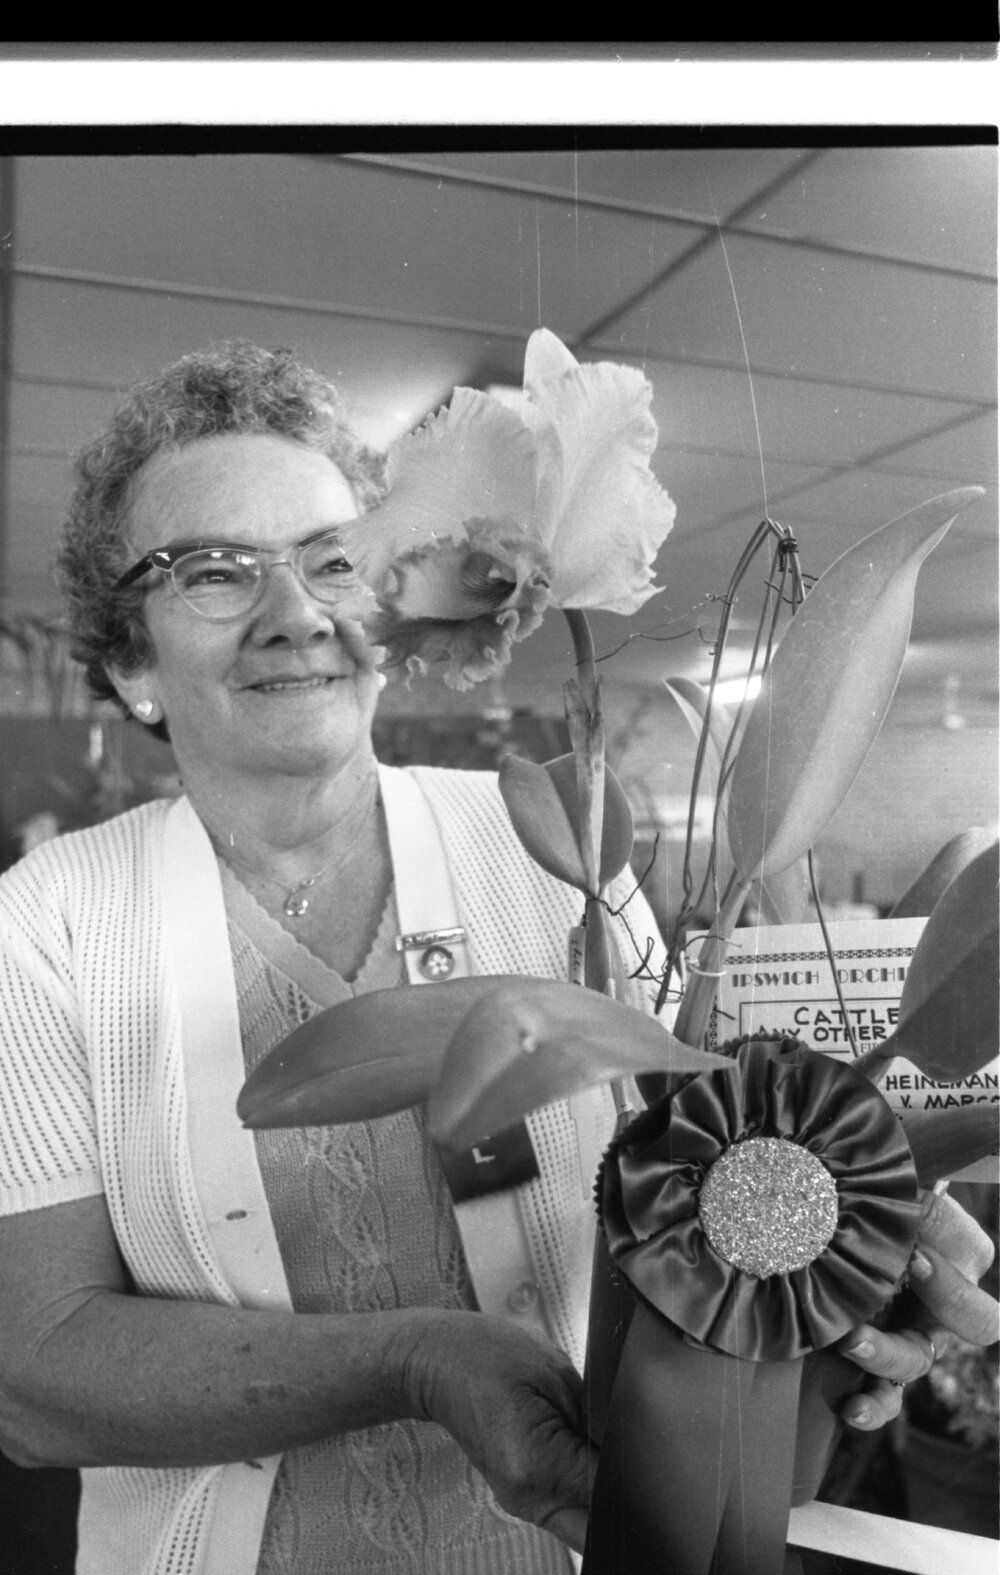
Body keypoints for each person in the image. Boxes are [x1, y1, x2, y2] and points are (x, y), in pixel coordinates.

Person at [0, 342, 993, 1575]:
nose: (298, 613)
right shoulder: (44, 926)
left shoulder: (556, 846)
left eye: (334, 560)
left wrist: (849, 1224)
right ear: (131, 662)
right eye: (212, 573)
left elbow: (706, 1146)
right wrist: (423, 1362)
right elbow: (32, 1376)